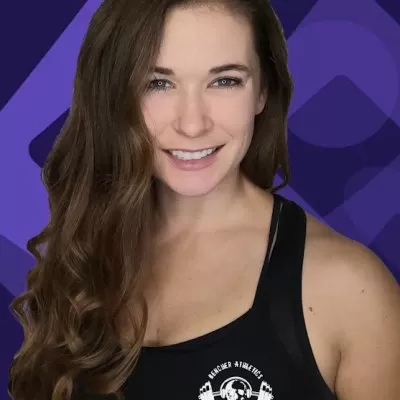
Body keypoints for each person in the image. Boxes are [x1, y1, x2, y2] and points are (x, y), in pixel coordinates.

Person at [8, 0, 400, 399]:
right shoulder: (81, 252)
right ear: (114, 95)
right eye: (158, 83)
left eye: (225, 81)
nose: (193, 124)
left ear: (263, 90)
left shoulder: (349, 289)